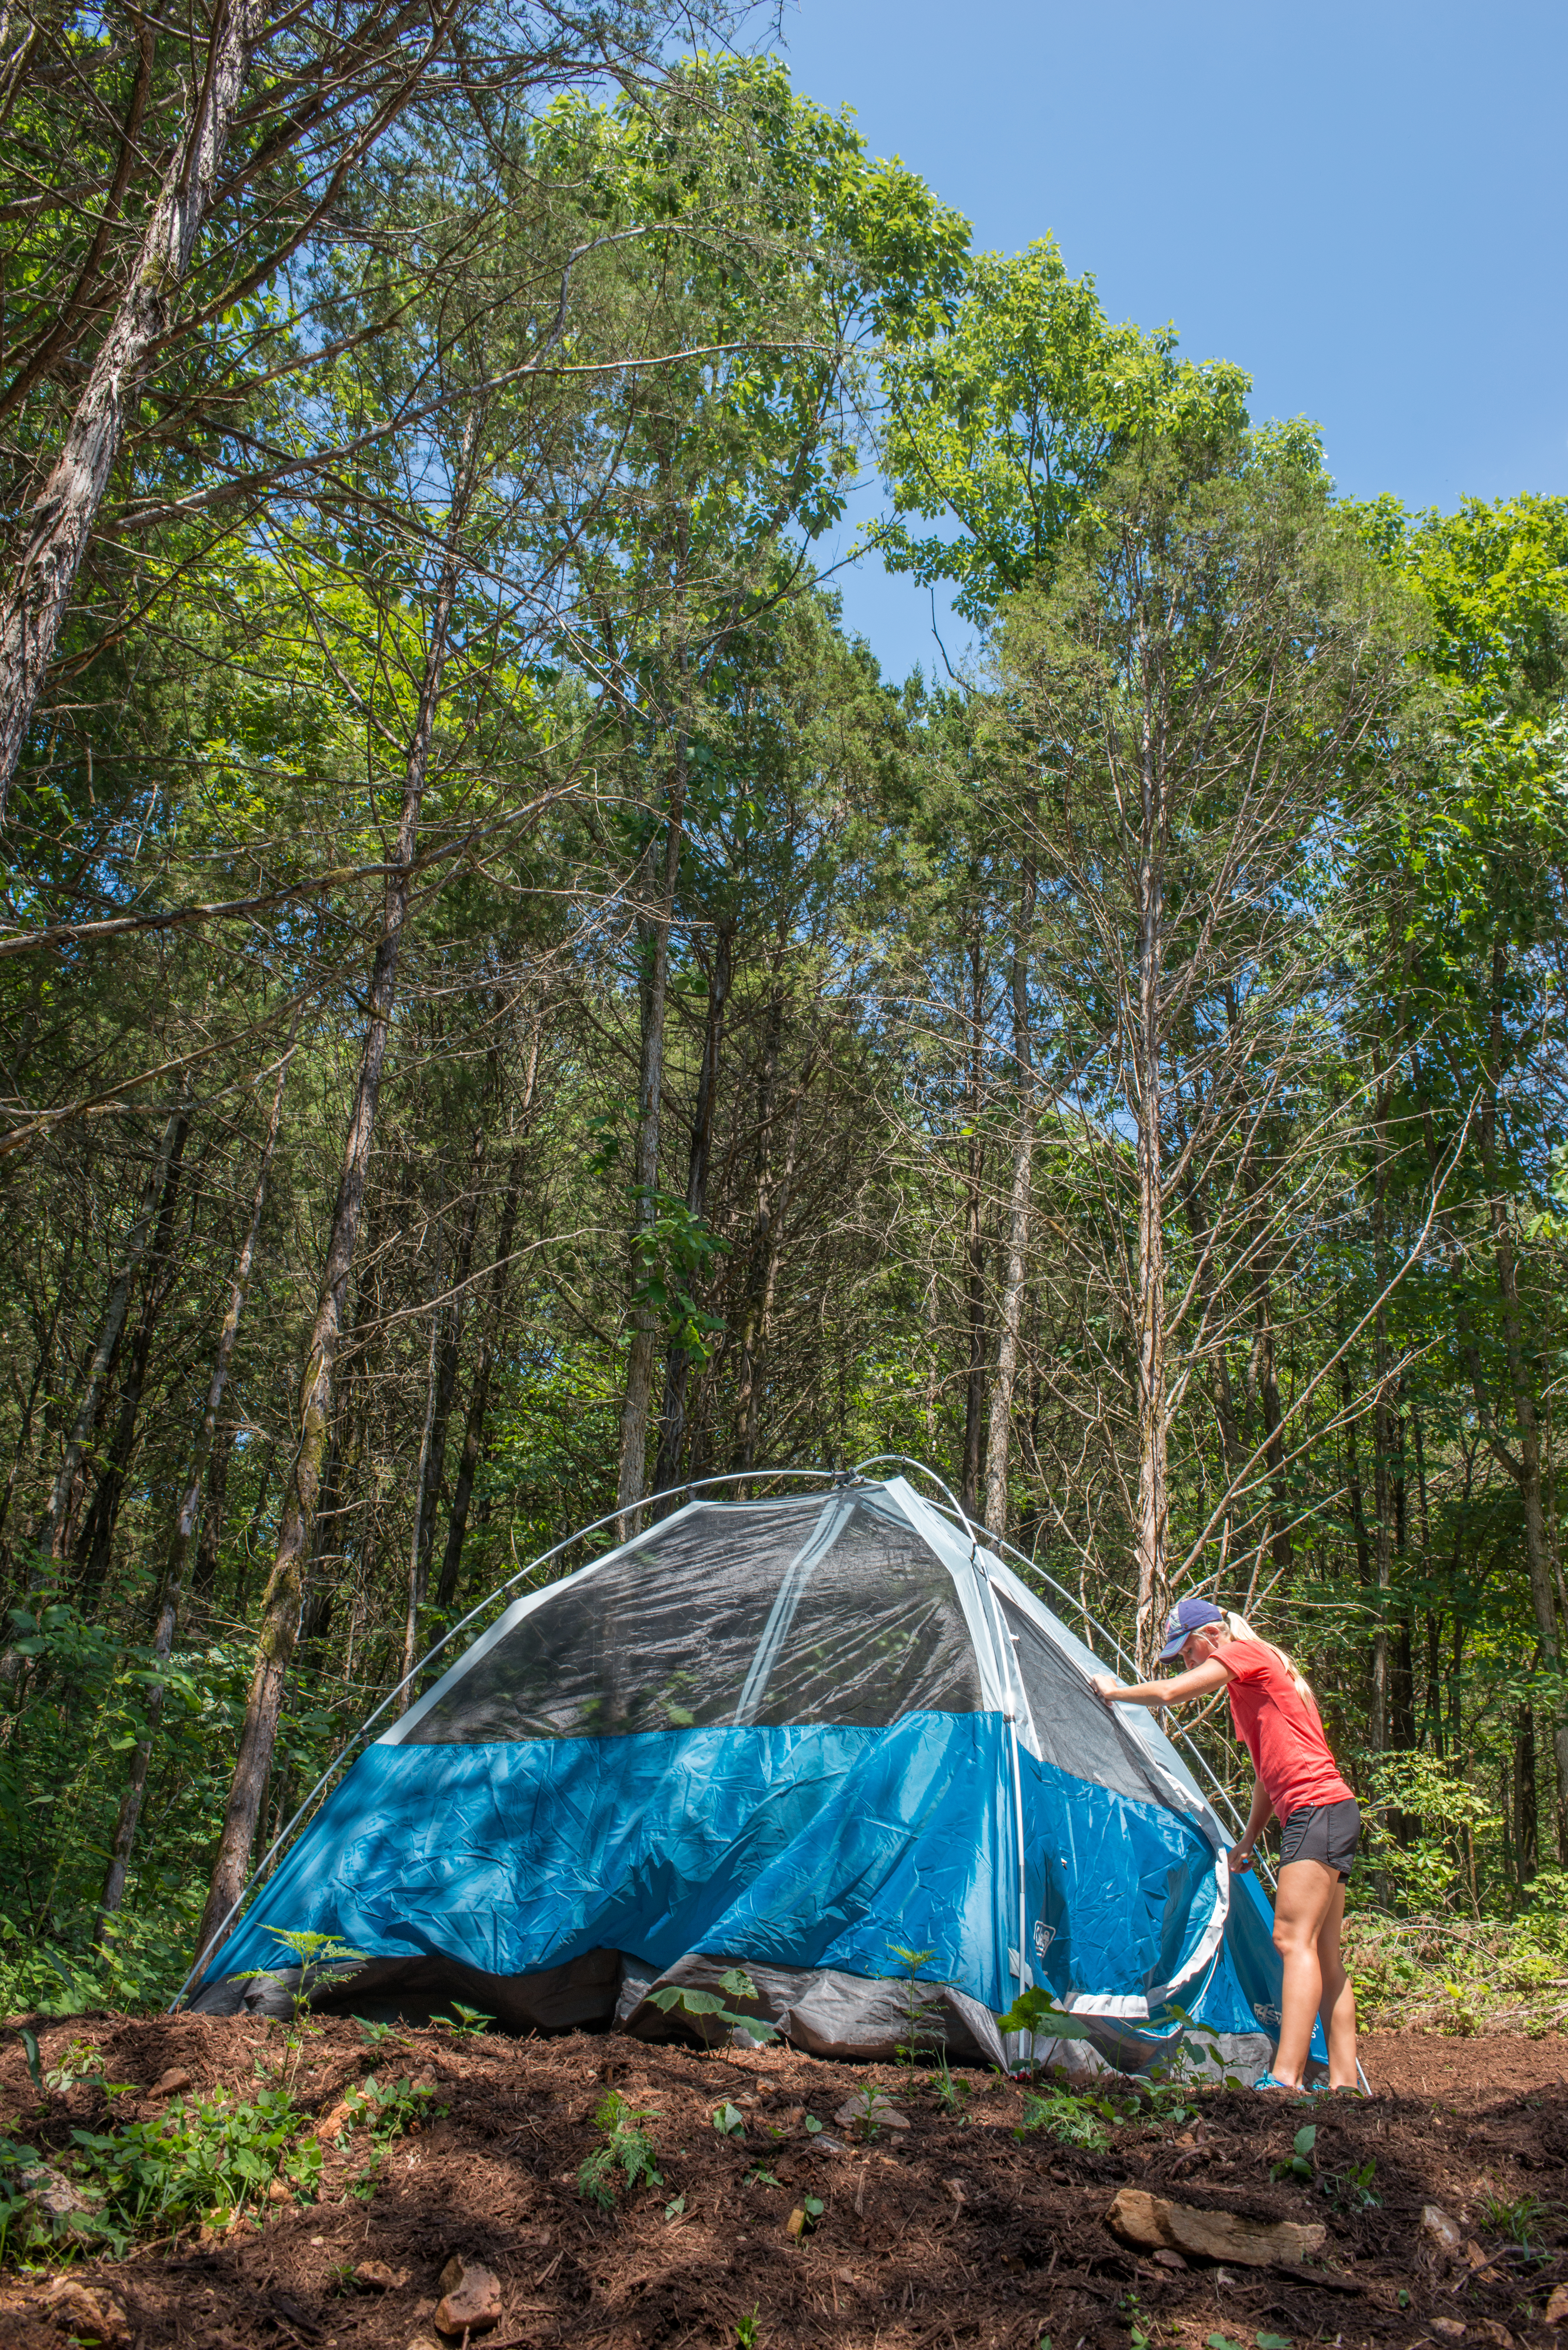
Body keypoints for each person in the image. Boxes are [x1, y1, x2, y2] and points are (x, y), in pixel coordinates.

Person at [1089, 1595, 1360, 2093]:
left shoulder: (1245, 1654)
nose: (1190, 1662)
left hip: (1316, 1810)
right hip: (1329, 1812)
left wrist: (1115, 1691)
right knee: (1324, 1953)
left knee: (1290, 1942)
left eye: (1188, 1651)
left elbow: (1171, 1694)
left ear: (1213, 1635)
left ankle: (1286, 2076)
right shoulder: (1254, 1683)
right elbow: (1265, 1774)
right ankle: (1345, 2086)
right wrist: (1250, 1839)